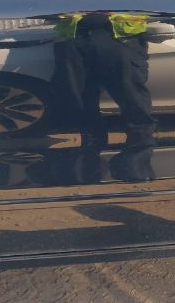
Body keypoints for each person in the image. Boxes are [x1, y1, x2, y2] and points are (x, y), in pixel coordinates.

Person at [50, 11, 156, 181]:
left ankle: (136, 167)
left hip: (121, 36)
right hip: (74, 36)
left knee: (134, 103)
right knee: (77, 105)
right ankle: (86, 169)